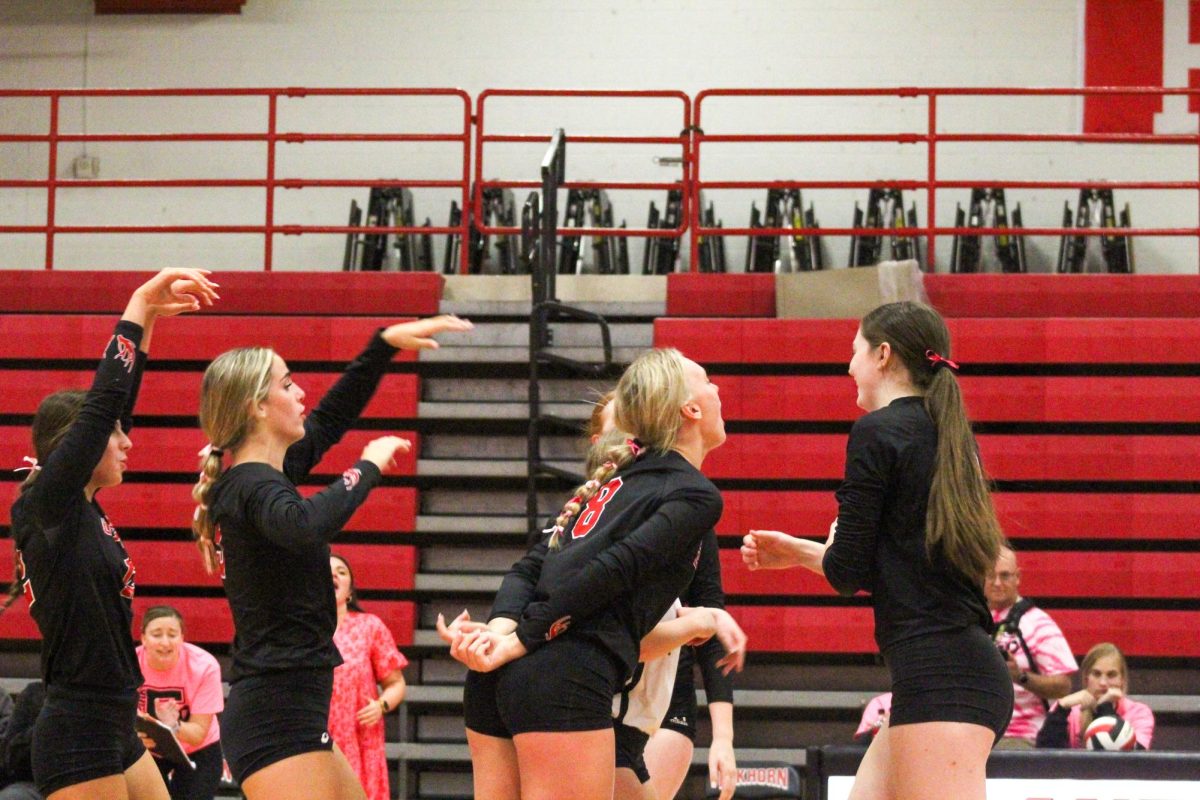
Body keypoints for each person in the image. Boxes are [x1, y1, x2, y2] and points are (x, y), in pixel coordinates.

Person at [190, 313, 472, 800]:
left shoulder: (263, 476)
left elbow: (330, 418)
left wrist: (382, 346)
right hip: (275, 714)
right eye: (288, 384)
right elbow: (306, 525)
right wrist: (368, 466)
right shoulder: (250, 486)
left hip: (294, 707)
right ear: (258, 406)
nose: (300, 395)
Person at [742, 300, 1012, 800]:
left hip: (943, 676)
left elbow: (846, 570)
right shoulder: (946, 434)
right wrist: (802, 551)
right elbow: (891, 562)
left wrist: (825, 544)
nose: (849, 367)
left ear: (883, 354)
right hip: (948, 670)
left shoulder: (877, 431)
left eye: (855, 352)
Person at [444, 347, 730, 800]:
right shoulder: (694, 494)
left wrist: (503, 631)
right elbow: (614, 569)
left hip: (504, 676)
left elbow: (531, 567)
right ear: (690, 409)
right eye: (708, 380)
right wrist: (520, 638)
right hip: (564, 676)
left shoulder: (617, 482)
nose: (717, 390)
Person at [6, 268, 219, 800]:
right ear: (75, 445)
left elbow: (115, 404)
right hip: (77, 724)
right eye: (114, 434)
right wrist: (138, 302)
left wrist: (147, 323)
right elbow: (104, 404)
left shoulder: (83, 509)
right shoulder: (46, 505)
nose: (127, 440)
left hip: (114, 716)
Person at [586, 394, 741, 800]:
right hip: (597, 703)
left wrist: (723, 738)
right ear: (598, 442)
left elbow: (712, 620)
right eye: (617, 431)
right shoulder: (585, 516)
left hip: (657, 704)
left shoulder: (685, 504)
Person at [329, 554, 408, 800]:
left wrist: (381, 705)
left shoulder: (369, 627)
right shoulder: (300, 629)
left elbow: (396, 683)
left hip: (360, 738)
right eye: (327, 570)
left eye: (341, 571)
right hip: (314, 735)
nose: (333, 575)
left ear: (350, 590)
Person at [985, 546, 1076, 749]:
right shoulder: (969, 620)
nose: (997, 583)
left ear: (1018, 577)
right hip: (973, 732)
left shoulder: (1038, 623)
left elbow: (1063, 686)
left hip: (1020, 735)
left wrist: (1020, 676)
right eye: (991, 575)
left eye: (1005, 576)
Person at [136, 605, 224, 800]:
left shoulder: (205, 666)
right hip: (148, 751)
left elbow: (198, 734)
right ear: (143, 638)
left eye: (172, 634)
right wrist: (135, 737)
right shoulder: (129, 664)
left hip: (199, 751)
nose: (165, 642)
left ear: (182, 637)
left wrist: (172, 726)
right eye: (157, 635)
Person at [1036, 642, 1154, 750]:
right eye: (1096, 674)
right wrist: (1061, 709)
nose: (1103, 682)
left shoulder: (1140, 713)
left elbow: (1135, 758)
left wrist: (1105, 707)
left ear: (1122, 679)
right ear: (1087, 678)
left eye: (1111, 675)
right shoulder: (1066, 710)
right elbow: (1046, 758)